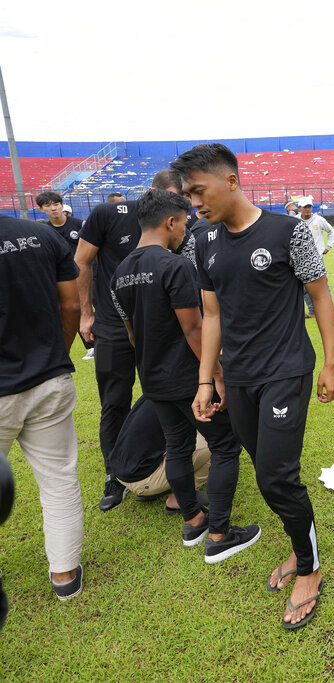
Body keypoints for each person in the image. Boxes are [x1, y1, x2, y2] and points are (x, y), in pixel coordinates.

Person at [171, 143, 334, 629]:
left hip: (286, 370)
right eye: (187, 195)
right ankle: (298, 543)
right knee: (268, 472)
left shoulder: (289, 232)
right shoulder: (203, 241)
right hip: (239, 377)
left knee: (275, 476)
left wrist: (331, 362)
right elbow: (213, 314)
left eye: (199, 191)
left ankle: (310, 567)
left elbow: (320, 297)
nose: (194, 203)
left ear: (230, 181)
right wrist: (207, 378)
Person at [110, 189, 260, 561]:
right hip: (186, 376)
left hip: (153, 377)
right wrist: (215, 375)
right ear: (170, 222)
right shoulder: (173, 265)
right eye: (184, 222)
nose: (186, 230)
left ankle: (194, 520)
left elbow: (131, 333)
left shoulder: (120, 272)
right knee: (225, 444)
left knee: (177, 444)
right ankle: (221, 533)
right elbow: (195, 329)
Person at [75, 169, 188, 511]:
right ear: (152, 191)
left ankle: (169, 463)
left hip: (158, 327)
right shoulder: (109, 214)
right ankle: (115, 476)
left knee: (166, 395)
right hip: (112, 325)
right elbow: (82, 260)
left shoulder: (180, 226)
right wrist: (86, 314)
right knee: (115, 402)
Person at [0, 212, 84, 601]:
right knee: (59, 480)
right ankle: (64, 573)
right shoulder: (40, 235)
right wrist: (57, 355)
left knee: (59, 478)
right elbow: (72, 306)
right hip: (49, 378)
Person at [110, 396, 212, 514]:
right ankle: (180, 498)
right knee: (219, 442)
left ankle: (163, 485)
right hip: (141, 478)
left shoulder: (157, 387)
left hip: (120, 469)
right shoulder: (187, 395)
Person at [37, 191, 93, 359]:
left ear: (62, 205)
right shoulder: (43, 230)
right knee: (68, 309)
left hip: (85, 275)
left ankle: (97, 342)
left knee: (91, 306)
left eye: (56, 204)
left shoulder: (79, 224)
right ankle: (87, 346)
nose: (53, 208)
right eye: (48, 206)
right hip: (61, 278)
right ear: (41, 209)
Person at [296, 196, 334, 319]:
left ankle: (329, 310)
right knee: (304, 286)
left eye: (310, 206)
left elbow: (331, 231)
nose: (308, 209)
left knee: (323, 285)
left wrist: (328, 246)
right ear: (299, 208)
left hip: (317, 257)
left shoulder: (319, 219)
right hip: (300, 258)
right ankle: (312, 311)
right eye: (305, 207)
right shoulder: (294, 220)